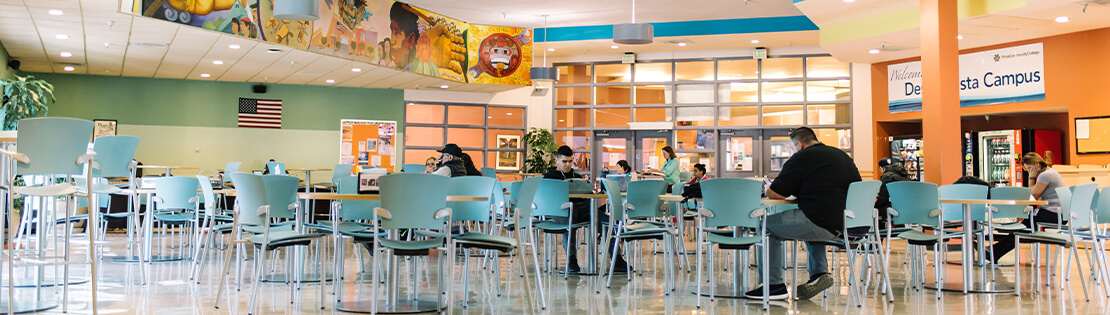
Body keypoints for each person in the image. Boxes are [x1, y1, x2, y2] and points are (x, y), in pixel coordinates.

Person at [749, 126, 861, 300]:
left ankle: (773, 286)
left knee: (766, 226)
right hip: (850, 224)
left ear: (799, 145)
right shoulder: (841, 156)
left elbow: (776, 194)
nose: (793, 152)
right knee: (812, 218)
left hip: (821, 222)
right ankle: (820, 273)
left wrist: (767, 187)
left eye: (792, 148)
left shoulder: (801, 158)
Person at [544, 145, 628, 273]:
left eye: (570, 161)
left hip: (583, 209)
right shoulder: (549, 178)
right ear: (557, 160)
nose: (567, 165)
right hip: (561, 211)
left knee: (609, 222)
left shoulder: (577, 177)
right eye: (564, 161)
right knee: (570, 223)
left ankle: (617, 259)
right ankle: (572, 261)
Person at [989, 152, 1064, 264]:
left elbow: (1032, 196)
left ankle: (995, 251)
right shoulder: (1051, 172)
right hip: (1057, 213)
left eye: (1030, 168)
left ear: (1037, 164)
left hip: (1053, 214)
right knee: (1024, 226)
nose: (1029, 171)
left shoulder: (1045, 175)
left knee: (1022, 228)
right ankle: (995, 251)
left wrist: (1031, 178)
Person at [875, 157, 910, 224]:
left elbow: (883, 198)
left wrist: (875, 206)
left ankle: (880, 233)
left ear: (882, 168)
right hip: (907, 207)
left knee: (876, 210)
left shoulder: (886, 176)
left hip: (894, 208)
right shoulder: (904, 174)